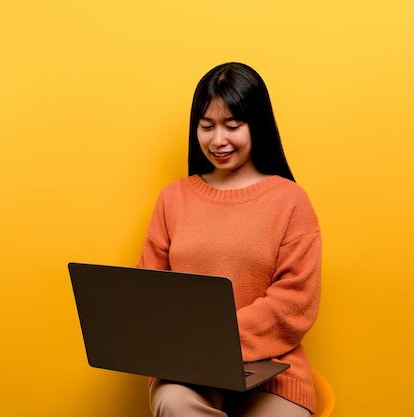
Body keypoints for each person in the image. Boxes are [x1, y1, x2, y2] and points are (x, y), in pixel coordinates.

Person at [136, 62, 322, 417]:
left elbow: (295, 302)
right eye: (206, 127)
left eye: (232, 126)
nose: (217, 140)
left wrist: (216, 340)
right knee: (173, 403)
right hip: (188, 368)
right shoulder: (172, 199)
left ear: (258, 126)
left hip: (274, 370)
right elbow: (149, 289)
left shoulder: (291, 201)